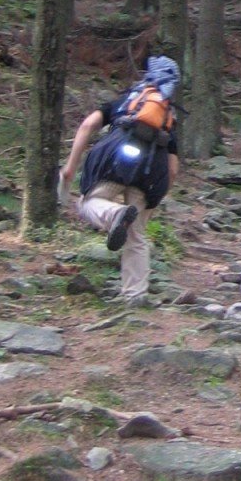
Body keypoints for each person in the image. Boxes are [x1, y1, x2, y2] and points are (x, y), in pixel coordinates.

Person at [58, 56, 182, 303]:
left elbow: (87, 126)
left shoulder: (126, 101)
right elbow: (173, 169)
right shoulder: (168, 117)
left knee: (88, 203)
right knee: (136, 234)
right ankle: (135, 295)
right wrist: (154, 200)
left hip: (114, 160)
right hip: (150, 172)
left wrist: (70, 168)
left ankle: (114, 215)